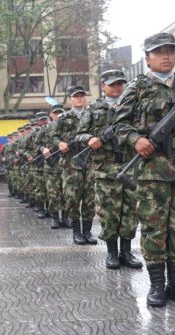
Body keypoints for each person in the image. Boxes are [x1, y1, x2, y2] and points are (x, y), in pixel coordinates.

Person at [113, 32, 175, 307]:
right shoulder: (137, 88)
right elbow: (119, 125)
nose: (166, 56)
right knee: (154, 226)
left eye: (170, 51)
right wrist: (137, 140)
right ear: (148, 58)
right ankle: (158, 286)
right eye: (159, 52)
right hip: (152, 168)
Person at [77, 70, 143, 270]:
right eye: (112, 84)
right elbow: (79, 134)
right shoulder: (94, 109)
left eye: (120, 84)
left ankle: (126, 252)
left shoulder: (133, 105)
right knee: (109, 212)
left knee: (130, 212)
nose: (117, 88)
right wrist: (90, 139)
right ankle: (112, 253)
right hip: (105, 169)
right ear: (103, 86)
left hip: (129, 166)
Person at [52, 86, 97, 245]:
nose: (79, 98)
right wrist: (60, 144)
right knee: (72, 198)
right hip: (70, 163)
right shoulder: (63, 118)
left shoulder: (93, 115)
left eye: (82, 95)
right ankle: (76, 232)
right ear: (70, 99)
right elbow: (54, 137)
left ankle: (87, 231)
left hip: (90, 162)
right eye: (76, 96)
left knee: (90, 199)